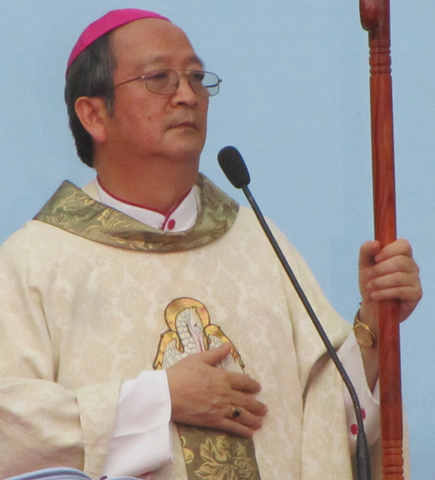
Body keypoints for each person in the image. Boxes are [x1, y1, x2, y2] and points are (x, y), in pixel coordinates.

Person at [0, 8, 422, 480]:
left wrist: (373, 326)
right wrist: (159, 401)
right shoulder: (35, 261)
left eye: (197, 78)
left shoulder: (257, 242)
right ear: (94, 114)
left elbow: (321, 421)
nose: (187, 95)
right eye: (159, 78)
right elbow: (12, 431)